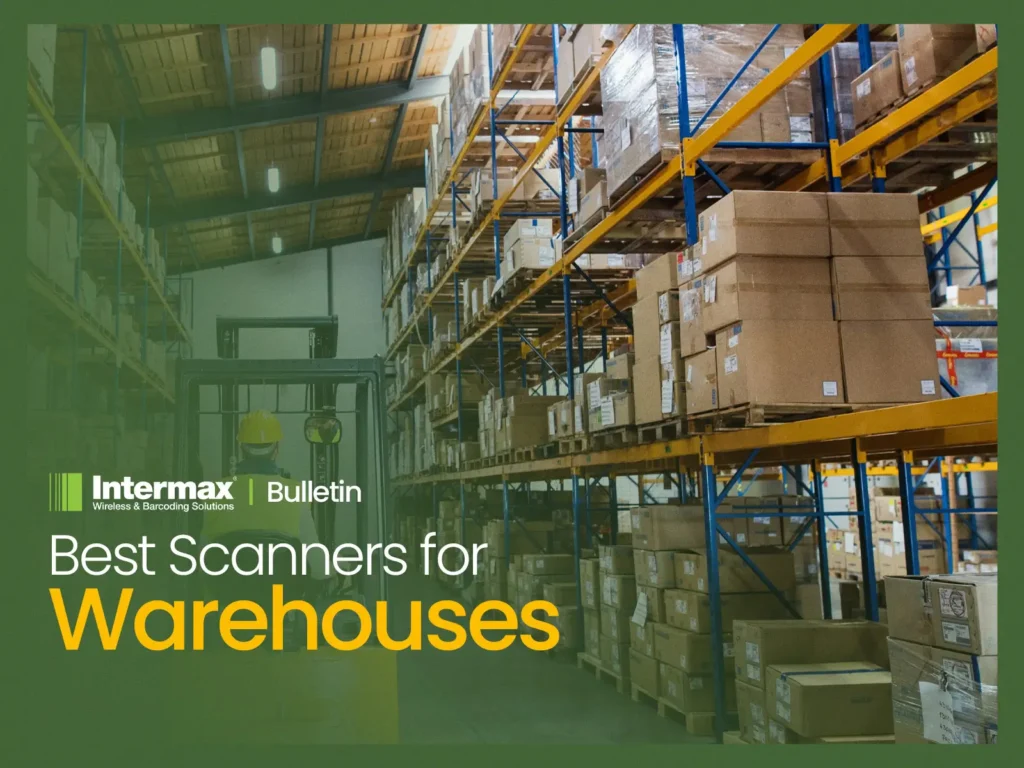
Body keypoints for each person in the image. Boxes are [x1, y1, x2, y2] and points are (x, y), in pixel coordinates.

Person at [202, 409, 333, 590]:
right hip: (280, 603)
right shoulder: (295, 493)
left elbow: (202, 557)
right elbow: (319, 568)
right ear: (276, 450)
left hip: (226, 603)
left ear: (241, 449)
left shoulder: (213, 492)